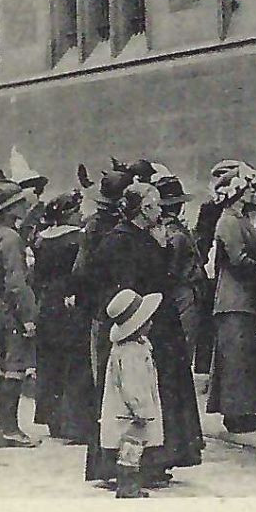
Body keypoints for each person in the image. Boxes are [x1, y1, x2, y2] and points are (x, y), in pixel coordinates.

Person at [86, 183, 203, 487]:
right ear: (143, 209)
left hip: (156, 323)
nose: (161, 210)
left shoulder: (142, 237)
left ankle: (157, 460)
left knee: (159, 393)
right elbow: (123, 285)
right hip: (139, 325)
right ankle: (135, 465)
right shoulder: (120, 241)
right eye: (155, 205)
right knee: (139, 398)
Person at [206, 161, 256, 434]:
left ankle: (242, 410)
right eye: (250, 187)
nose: (253, 191)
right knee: (235, 359)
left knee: (242, 358)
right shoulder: (229, 221)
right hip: (234, 299)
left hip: (243, 298)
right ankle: (236, 414)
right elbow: (238, 259)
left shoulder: (239, 220)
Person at [0, 181, 41, 448]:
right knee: (14, 368)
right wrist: (28, 316)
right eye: (21, 204)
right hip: (11, 308)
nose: (26, 207)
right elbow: (16, 281)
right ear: (12, 208)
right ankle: (9, 429)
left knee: (5, 365)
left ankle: (4, 427)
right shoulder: (12, 239)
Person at [30, 191, 91, 443]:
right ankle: (72, 421)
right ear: (70, 213)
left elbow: (36, 275)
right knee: (72, 362)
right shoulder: (77, 238)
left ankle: (51, 417)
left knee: (49, 362)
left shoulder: (41, 239)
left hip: (47, 302)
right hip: (69, 302)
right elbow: (79, 273)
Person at [100, 288, 166, 499]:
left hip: (125, 411)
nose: (151, 323)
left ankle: (129, 484)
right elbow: (133, 385)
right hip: (130, 412)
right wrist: (141, 408)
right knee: (131, 450)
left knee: (132, 450)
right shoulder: (131, 353)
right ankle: (127, 487)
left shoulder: (132, 347)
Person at [154, 175, 205, 388]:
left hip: (178, 293)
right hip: (183, 294)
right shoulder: (176, 234)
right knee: (184, 345)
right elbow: (172, 271)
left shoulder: (162, 230)